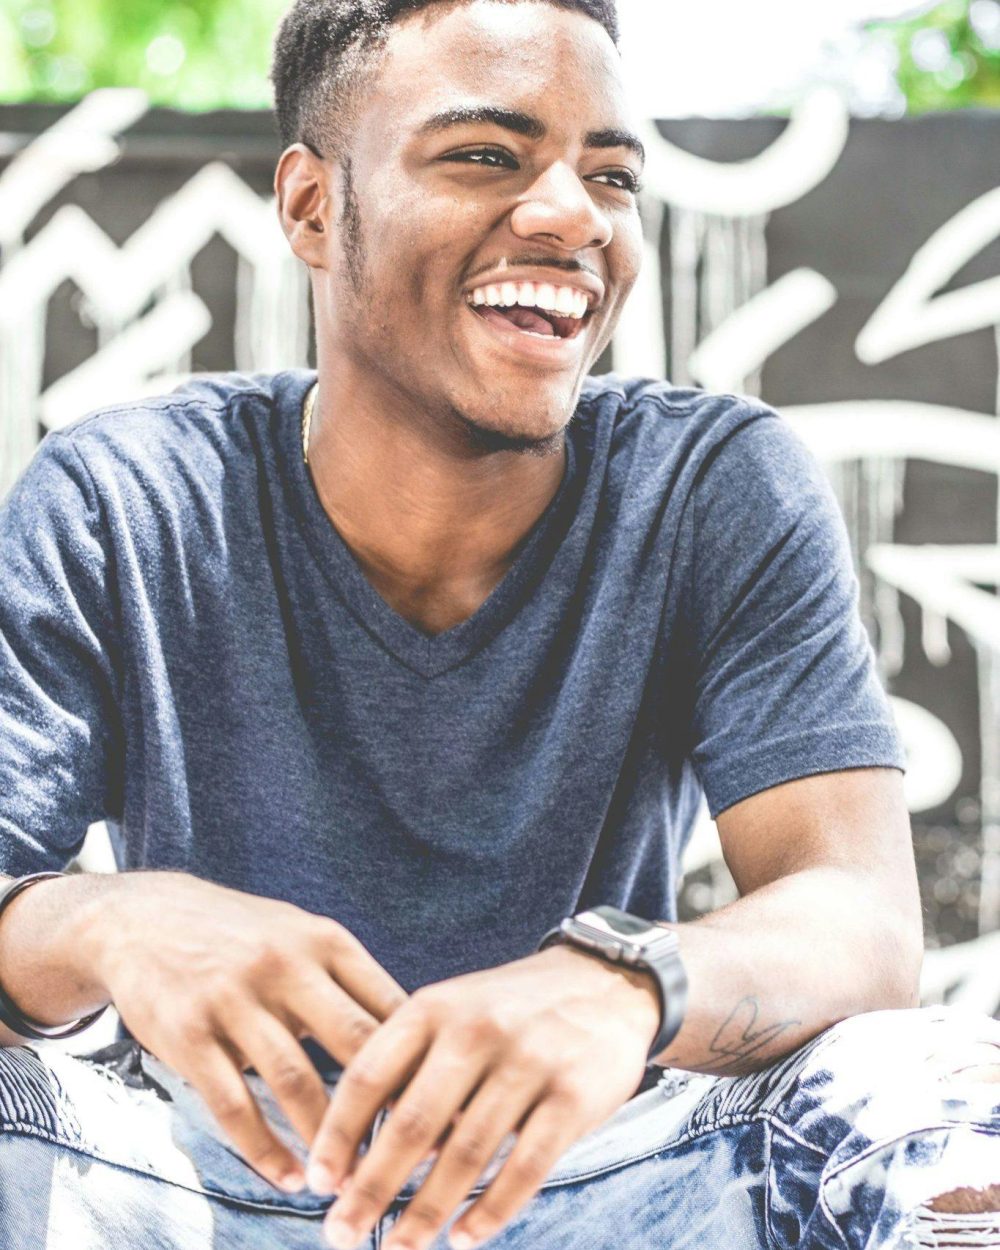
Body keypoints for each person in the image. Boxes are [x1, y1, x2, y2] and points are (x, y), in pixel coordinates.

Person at [0, 0, 998, 1247]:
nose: (574, 216)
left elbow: (856, 914)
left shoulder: (709, 485)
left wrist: (629, 980)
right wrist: (103, 919)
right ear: (313, 206)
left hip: (611, 1180)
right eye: (485, 155)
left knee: (937, 1098)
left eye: (611, 174)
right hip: (181, 1186)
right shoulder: (121, 494)